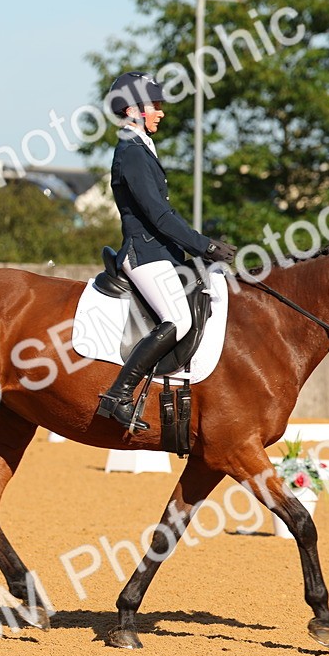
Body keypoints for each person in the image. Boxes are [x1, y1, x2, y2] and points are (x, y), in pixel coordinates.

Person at [95, 71, 238, 432]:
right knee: (179, 319)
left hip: (162, 252)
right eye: (154, 105)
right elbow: (158, 214)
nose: (160, 112)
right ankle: (119, 395)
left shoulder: (141, 146)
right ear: (132, 109)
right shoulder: (130, 152)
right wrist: (203, 245)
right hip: (143, 254)